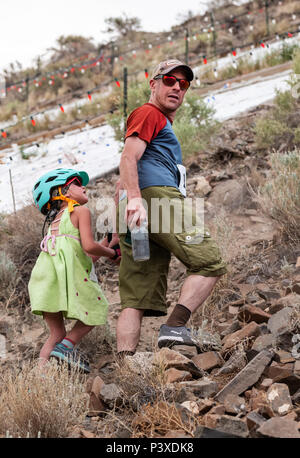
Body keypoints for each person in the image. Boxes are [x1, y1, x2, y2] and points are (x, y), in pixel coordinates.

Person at [115, 59, 227, 358]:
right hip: (156, 199)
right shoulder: (148, 113)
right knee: (209, 261)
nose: (177, 87)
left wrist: (117, 229)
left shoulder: (154, 121)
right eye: (169, 80)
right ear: (153, 84)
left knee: (135, 297)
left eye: (183, 84)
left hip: (136, 208)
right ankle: (175, 327)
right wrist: (138, 199)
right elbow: (128, 158)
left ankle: (127, 365)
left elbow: (123, 176)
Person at [28, 168, 119, 372]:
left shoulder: (55, 224)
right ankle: (67, 347)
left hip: (44, 283)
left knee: (55, 333)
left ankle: (39, 376)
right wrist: (111, 253)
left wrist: (106, 243)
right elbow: (88, 247)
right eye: (77, 183)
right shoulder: (80, 211)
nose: (84, 186)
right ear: (64, 192)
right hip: (64, 281)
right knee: (98, 309)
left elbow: (79, 257)